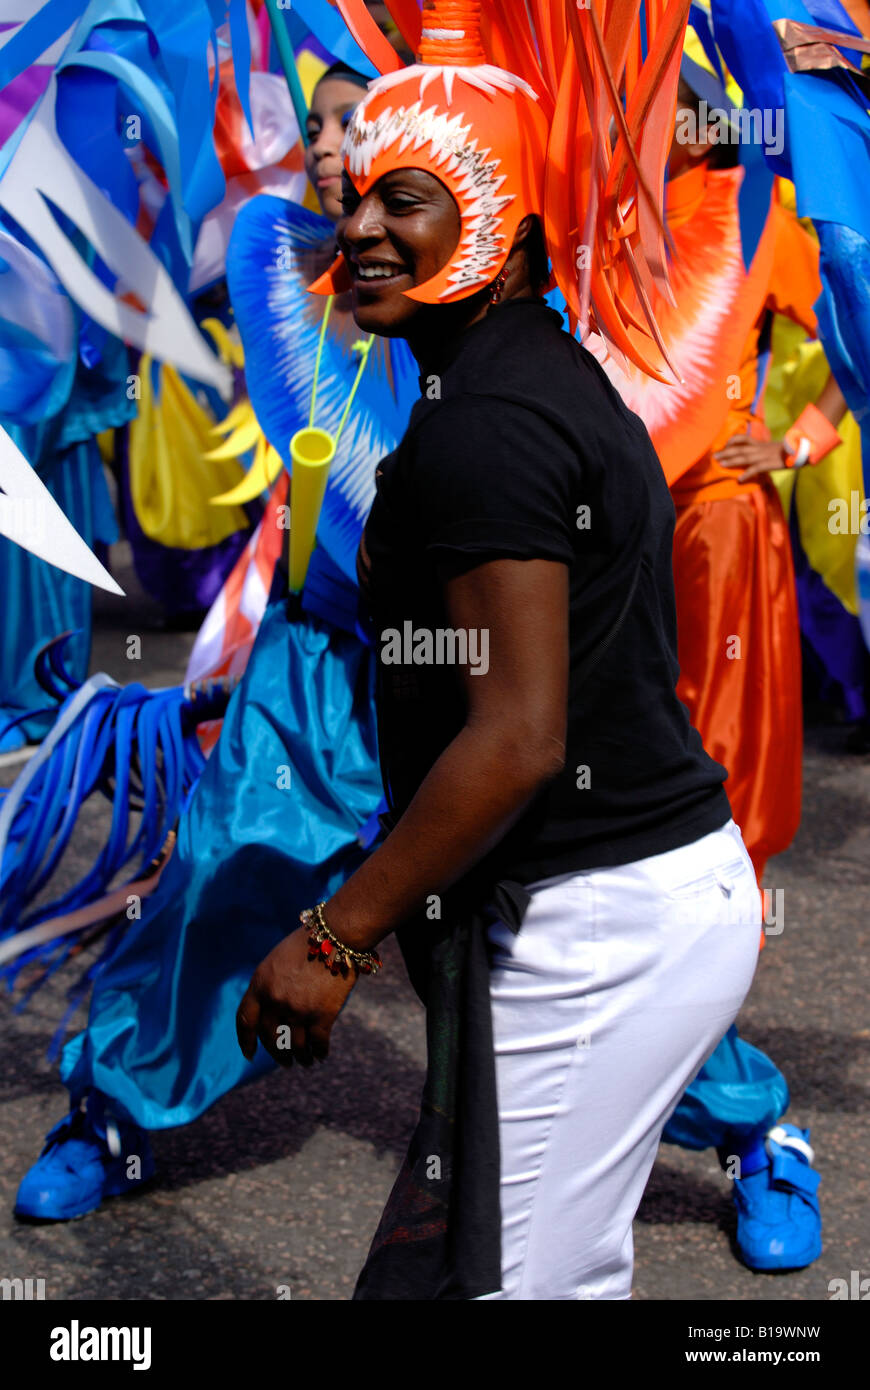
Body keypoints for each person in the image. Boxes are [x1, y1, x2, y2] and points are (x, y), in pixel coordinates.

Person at [236, 1, 762, 1302]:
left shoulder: (484, 430)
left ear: (516, 231)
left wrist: (335, 934)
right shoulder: (543, 375)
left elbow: (519, 735)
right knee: (551, 1266)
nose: (356, 225)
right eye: (355, 195)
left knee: (490, 1285)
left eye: (405, 199)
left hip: (599, 925)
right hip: (641, 897)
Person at [13, 62, 416, 1221]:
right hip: (319, 661)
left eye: (362, 120)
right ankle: (113, 1113)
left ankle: (752, 1132)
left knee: (549, 934)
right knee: (222, 873)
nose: (334, 141)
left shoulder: (489, 306)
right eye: (326, 122)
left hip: (478, 672)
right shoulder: (283, 269)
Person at [594, 53, 840, 1270]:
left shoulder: (768, 208)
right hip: (600, 554)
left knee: (713, 845)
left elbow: (848, 345)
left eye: (672, 102)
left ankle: (756, 1139)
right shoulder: (586, 213)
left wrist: (791, 443)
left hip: (720, 543)